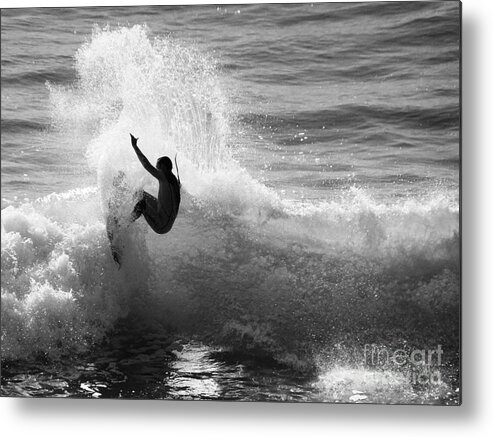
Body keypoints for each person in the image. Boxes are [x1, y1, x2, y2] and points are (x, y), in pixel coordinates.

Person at [129, 133, 181, 234]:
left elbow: (146, 164)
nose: (157, 170)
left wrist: (135, 146)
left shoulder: (164, 176)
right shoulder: (173, 179)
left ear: (164, 167)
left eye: (158, 167)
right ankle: (130, 212)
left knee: (142, 204)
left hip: (162, 225)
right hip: (162, 212)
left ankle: (125, 223)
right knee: (139, 193)